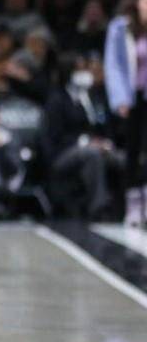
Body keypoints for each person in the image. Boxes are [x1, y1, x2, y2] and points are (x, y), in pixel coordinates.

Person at [45, 54, 120, 219]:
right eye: (80, 69)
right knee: (91, 154)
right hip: (62, 153)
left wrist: (104, 142)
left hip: (90, 148)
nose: (85, 73)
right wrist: (86, 142)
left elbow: (101, 125)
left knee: (120, 158)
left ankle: (127, 206)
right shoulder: (57, 100)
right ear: (68, 73)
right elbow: (54, 137)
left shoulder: (91, 97)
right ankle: (99, 208)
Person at [104, 0, 147, 226]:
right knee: (133, 152)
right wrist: (120, 98)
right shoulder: (120, 28)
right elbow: (113, 66)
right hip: (131, 98)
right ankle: (132, 204)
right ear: (137, 2)